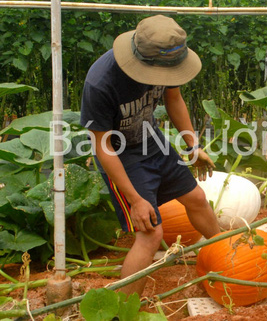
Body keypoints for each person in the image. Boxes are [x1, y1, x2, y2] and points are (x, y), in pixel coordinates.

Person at [80, 15, 220, 296]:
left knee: (196, 198)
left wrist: (193, 147)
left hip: (151, 139)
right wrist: (135, 199)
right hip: (120, 154)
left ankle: (224, 252)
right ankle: (123, 309)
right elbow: (102, 147)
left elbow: (174, 99)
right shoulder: (101, 82)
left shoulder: (166, 61)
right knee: (150, 233)